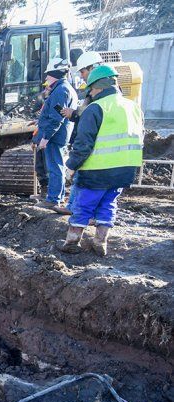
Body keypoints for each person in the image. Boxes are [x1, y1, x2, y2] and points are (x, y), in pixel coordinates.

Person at [59, 65, 143, 256]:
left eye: (91, 90)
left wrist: (71, 166)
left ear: (97, 88)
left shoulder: (96, 108)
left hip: (96, 170)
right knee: (108, 204)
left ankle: (72, 242)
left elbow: (83, 144)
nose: (90, 93)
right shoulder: (133, 107)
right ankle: (100, 242)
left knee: (84, 205)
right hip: (124, 170)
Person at [55, 51, 104, 215]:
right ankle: (72, 207)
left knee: (87, 180)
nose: (82, 76)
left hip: (94, 144)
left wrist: (74, 114)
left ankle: (84, 212)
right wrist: (74, 114)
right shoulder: (93, 92)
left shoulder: (99, 93)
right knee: (80, 178)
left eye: (83, 72)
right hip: (89, 141)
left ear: (93, 68)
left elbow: (89, 115)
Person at [33, 58, 78, 209]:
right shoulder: (63, 88)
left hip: (55, 137)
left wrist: (46, 137)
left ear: (55, 74)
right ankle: (55, 197)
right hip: (58, 135)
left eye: (48, 75)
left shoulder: (61, 90)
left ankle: (53, 199)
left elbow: (56, 118)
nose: (46, 78)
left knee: (55, 168)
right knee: (55, 166)